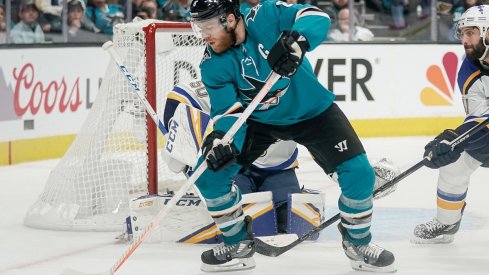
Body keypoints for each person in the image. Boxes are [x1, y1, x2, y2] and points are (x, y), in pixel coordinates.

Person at [189, 0, 395, 272]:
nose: (202, 35)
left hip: (312, 111)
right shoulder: (212, 64)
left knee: (359, 174)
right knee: (208, 176)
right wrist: (219, 139)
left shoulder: (265, 16)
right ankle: (238, 244)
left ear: (229, 19)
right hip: (258, 122)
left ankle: (358, 244)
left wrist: (297, 40)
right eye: (197, 27)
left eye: (206, 26)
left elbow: (315, 16)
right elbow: (228, 112)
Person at [412, 5, 489, 244]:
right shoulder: (468, 69)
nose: (464, 40)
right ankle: (447, 223)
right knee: (455, 166)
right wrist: (453, 139)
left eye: (471, 33)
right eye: (462, 33)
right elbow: (479, 118)